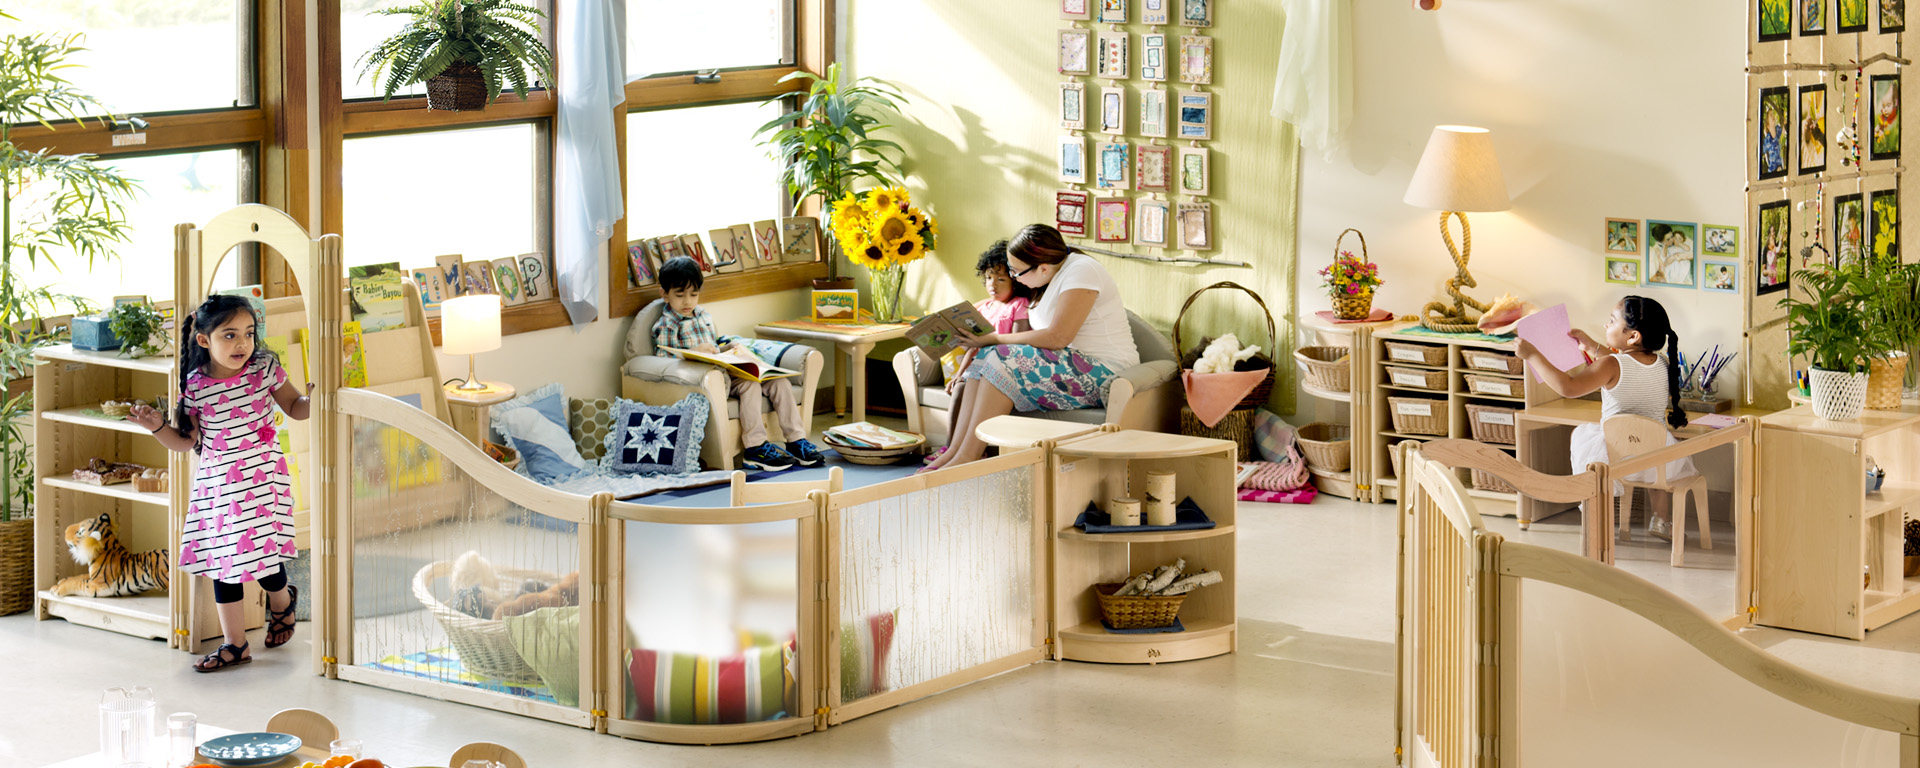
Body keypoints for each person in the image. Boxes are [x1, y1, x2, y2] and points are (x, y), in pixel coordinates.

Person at [128, 294, 311, 672]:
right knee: (222, 563)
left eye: (248, 333)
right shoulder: (194, 385)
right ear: (203, 340)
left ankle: (281, 602)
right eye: (229, 335)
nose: (242, 343)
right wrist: (156, 427)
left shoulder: (265, 368)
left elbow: (296, 408)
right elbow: (186, 442)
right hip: (218, 486)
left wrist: (320, 395)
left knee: (261, 559)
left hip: (262, 481)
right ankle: (236, 644)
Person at [922, 224, 1139, 472]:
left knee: (1000, 355)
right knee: (985, 355)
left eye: (1015, 271)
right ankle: (954, 452)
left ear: (1042, 267)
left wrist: (993, 339)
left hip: (1104, 372)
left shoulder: (1082, 270)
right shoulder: (1050, 278)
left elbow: (1058, 337)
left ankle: (967, 458)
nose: (1014, 277)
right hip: (1070, 363)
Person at [1514, 296, 1697, 540]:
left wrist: (1533, 355)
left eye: (1611, 321)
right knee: (1657, 443)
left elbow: (1568, 388)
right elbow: (1625, 365)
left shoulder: (1611, 364)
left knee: (1584, 440)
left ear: (1633, 336)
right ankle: (1661, 520)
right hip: (1655, 458)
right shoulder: (1662, 363)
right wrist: (1591, 346)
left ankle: (1597, 517)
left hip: (1616, 457)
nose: (1605, 325)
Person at [651, 256, 823, 471]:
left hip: (727, 369)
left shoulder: (703, 315)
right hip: (706, 380)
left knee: (780, 382)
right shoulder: (667, 324)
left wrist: (730, 349)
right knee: (750, 385)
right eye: (680, 295)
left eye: (694, 294)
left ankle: (796, 440)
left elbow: (714, 346)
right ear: (664, 294)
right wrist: (693, 352)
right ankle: (755, 448)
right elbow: (663, 359)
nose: (688, 302)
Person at [923, 240, 1035, 465]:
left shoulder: (1018, 305)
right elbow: (973, 348)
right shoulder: (983, 307)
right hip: (975, 368)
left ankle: (973, 449)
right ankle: (950, 447)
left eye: (1001, 279)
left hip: (999, 369)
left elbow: (1016, 344)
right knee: (959, 388)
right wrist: (957, 374)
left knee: (966, 387)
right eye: (989, 278)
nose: (993, 284)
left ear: (1016, 281)